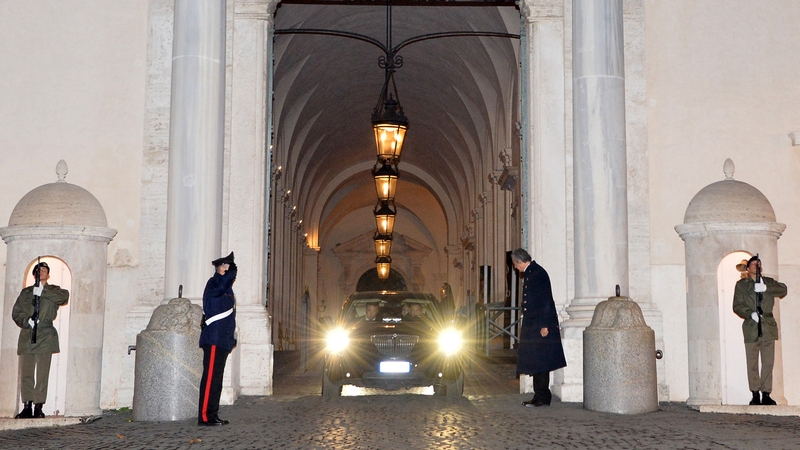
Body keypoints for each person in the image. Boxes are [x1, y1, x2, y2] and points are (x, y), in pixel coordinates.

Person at [12, 261, 69, 419]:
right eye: (38, 270)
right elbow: (16, 312)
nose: (41, 272)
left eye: (44, 270)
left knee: (42, 373)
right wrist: (27, 321)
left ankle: (39, 406)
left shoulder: (54, 290)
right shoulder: (25, 293)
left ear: (48, 274)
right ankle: (27, 406)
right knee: (27, 373)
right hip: (28, 335)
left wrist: (42, 292)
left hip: (45, 334)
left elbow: (64, 297)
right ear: (34, 274)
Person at [511, 248, 567, 407]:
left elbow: (545, 301)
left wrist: (544, 325)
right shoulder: (532, 272)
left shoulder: (537, 273)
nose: (516, 268)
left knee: (541, 362)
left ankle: (542, 396)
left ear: (520, 261)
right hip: (533, 325)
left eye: (516, 265)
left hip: (540, 326)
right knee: (536, 361)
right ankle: (539, 395)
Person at [732, 255, 787, 406]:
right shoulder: (742, 285)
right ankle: (755, 393)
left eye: (759, 263)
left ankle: (767, 393)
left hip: (768, 326)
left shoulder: (768, 282)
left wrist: (766, 288)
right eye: (754, 263)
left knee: (768, 362)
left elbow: (783, 290)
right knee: (753, 362)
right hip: (751, 327)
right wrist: (750, 313)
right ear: (748, 268)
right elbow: (737, 305)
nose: (757, 266)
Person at [198, 251, 237, 426]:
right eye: (225, 267)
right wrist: (227, 276)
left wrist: (230, 339)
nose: (228, 271)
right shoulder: (214, 283)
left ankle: (212, 414)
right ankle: (205, 416)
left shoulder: (227, 287)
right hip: (213, 338)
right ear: (219, 268)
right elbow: (219, 290)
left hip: (222, 339)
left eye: (230, 268)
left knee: (217, 379)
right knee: (210, 379)